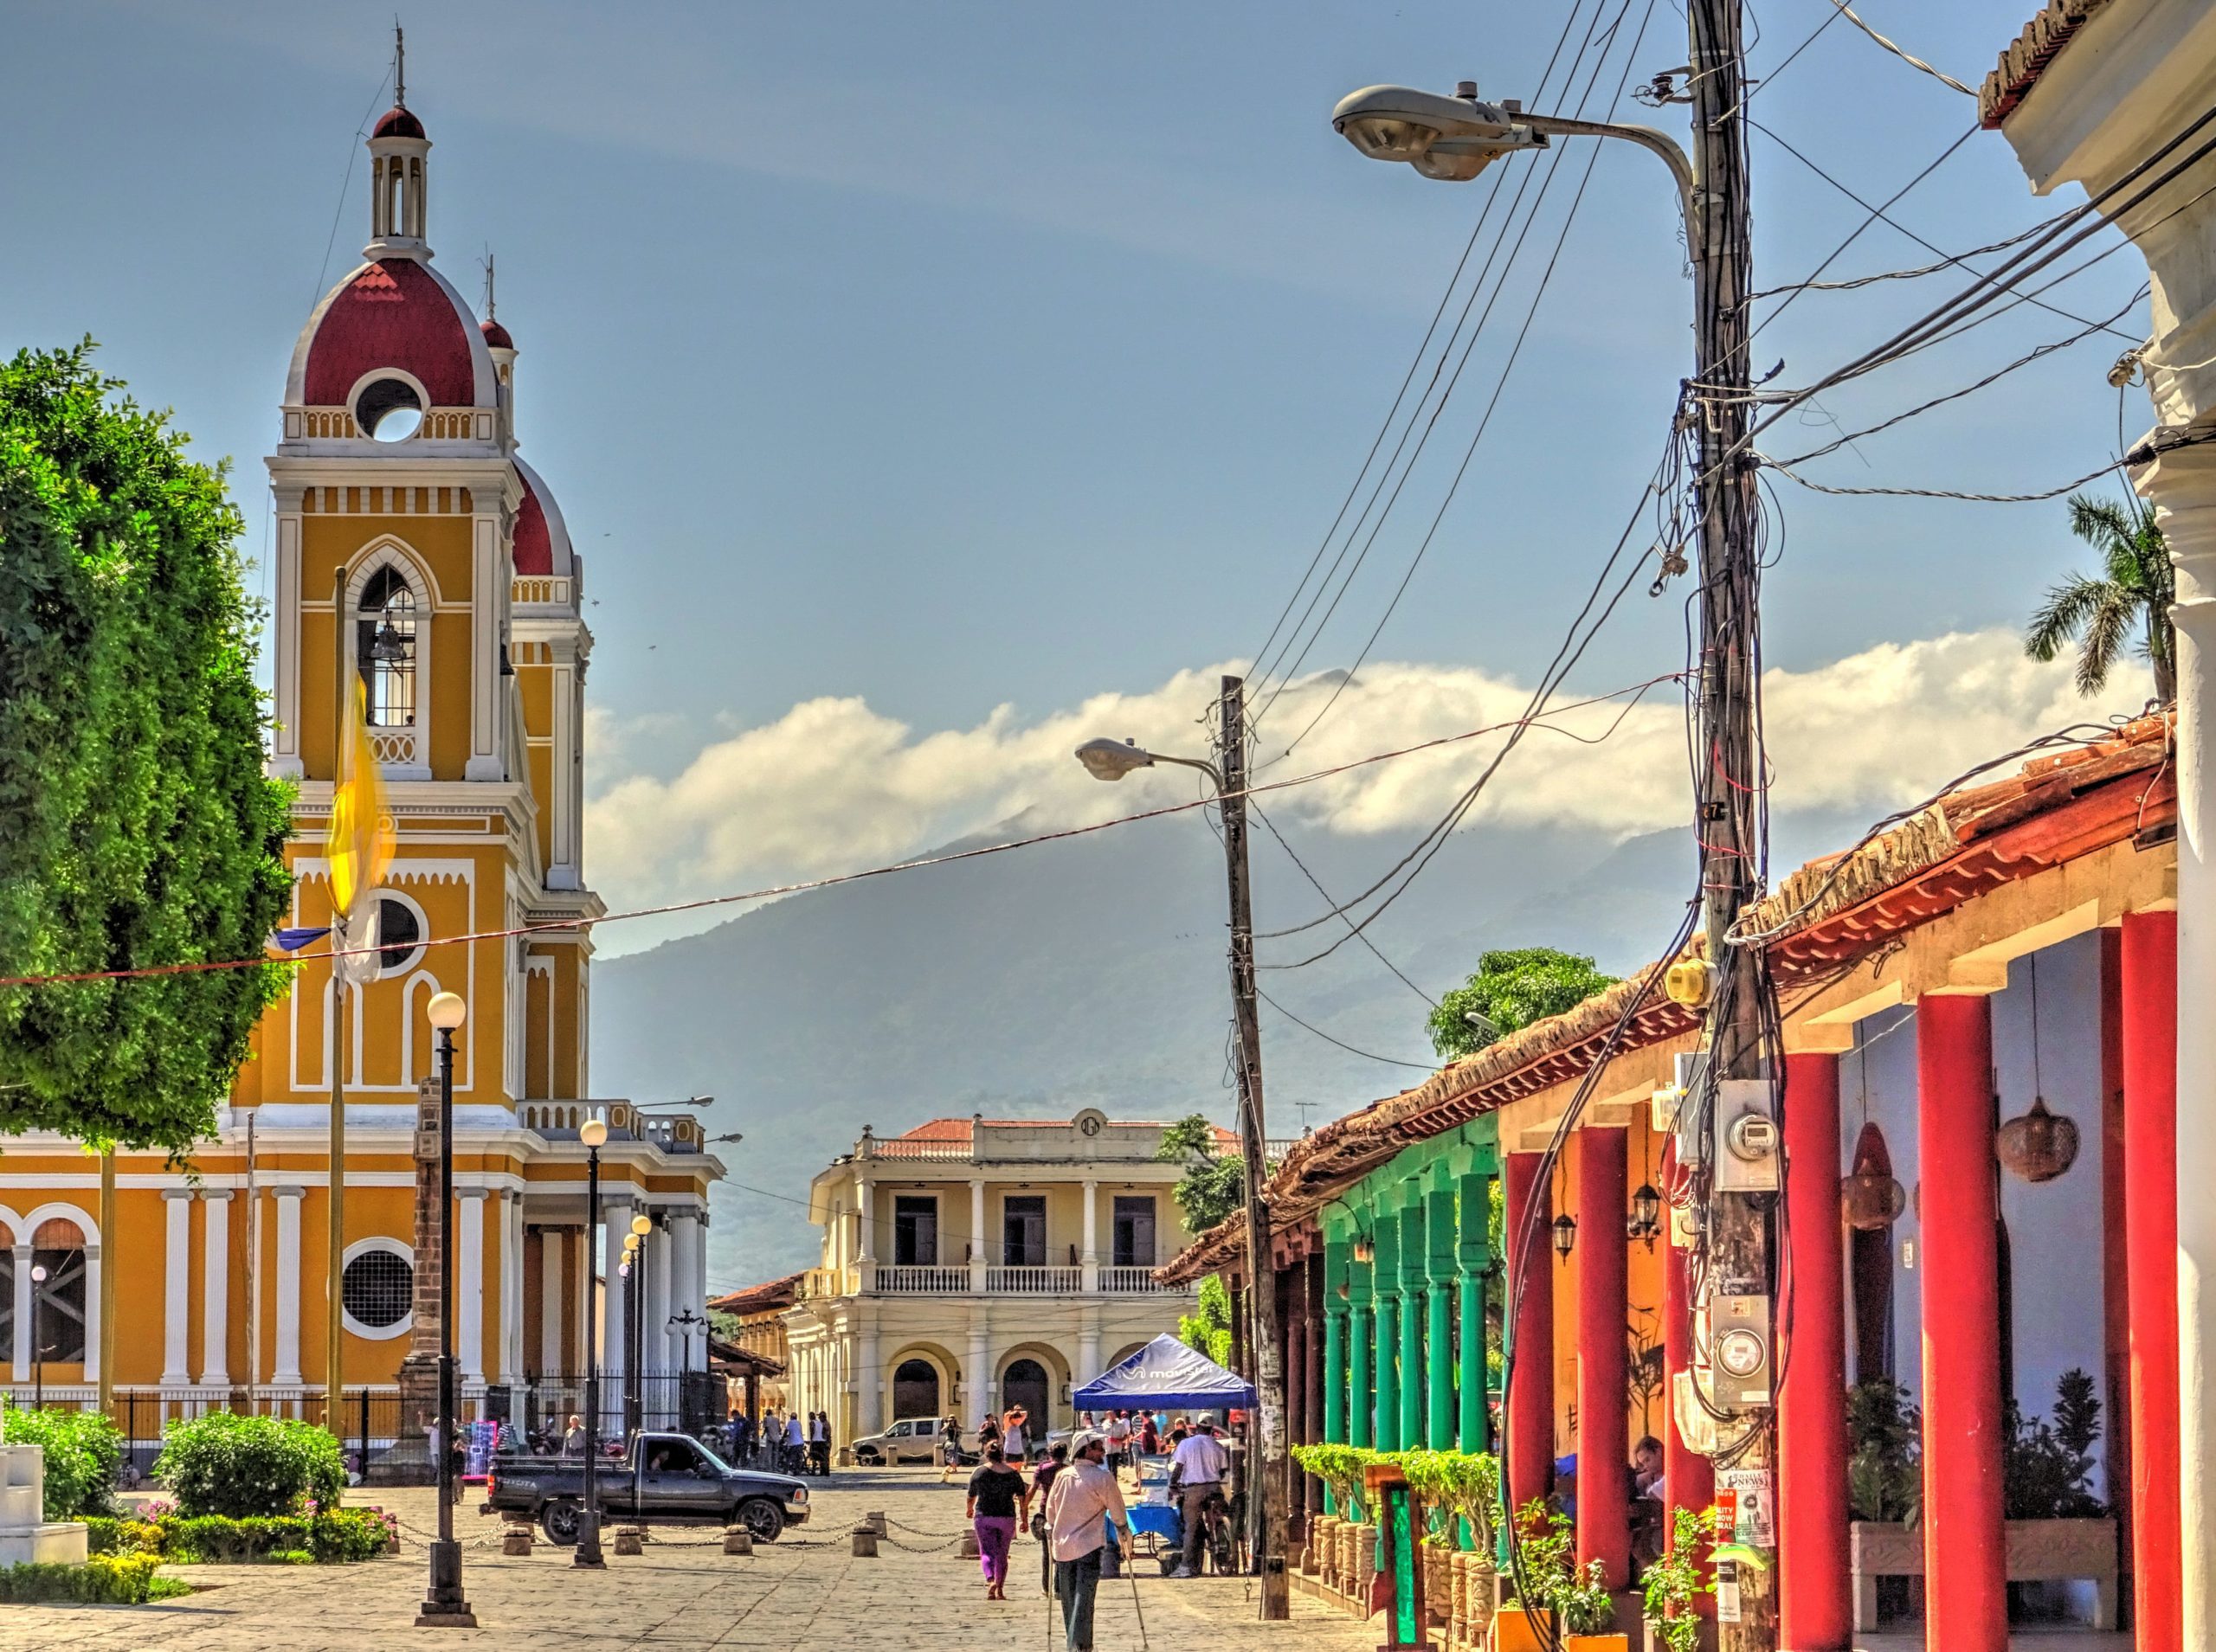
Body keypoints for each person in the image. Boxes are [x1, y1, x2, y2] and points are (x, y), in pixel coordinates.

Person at [1044, 1430, 1131, 1652]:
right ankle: (1079, 1646)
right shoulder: (1103, 1478)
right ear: (1085, 1450)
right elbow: (1118, 1510)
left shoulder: (1063, 1476)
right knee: (1082, 1599)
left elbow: (1050, 1512)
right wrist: (1122, 1528)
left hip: (1063, 1546)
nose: (1103, 1452)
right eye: (1098, 1447)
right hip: (1087, 1545)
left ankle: (1077, 1644)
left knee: (1070, 1600)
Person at [1167, 1411, 1231, 1578]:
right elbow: (1223, 1470)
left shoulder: (1186, 1444)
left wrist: (1172, 1484)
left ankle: (1187, 1566)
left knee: (1191, 1528)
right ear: (1211, 1429)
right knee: (1219, 1511)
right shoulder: (1218, 1446)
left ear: (1197, 1426)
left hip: (1194, 1490)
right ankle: (1220, 1534)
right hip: (1215, 1488)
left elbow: (1178, 1468)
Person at [966, 1443, 1027, 1602]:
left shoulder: (979, 1472)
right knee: (1002, 1554)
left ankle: (991, 1580)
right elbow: (1022, 1499)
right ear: (1003, 1455)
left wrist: (969, 1509)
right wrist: (1024, 1520)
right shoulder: (1013, 1474)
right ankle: (999, 1588)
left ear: (987, 1455)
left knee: (986, 1552)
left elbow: (971, 1495)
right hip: (1006, 1517)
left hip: (984, 1515)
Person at [1027, 1439, 1071, 1597]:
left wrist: (1024, 1507)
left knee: (1047, 1551)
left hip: (1046, 1510)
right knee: (1062, 1549)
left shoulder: (1042, 1469)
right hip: (1064, 1510)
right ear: (1065, 1455)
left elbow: (1032, 1490)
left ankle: (1046, 1587)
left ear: (1049, 1454)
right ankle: (1058, 1587)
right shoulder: (1069, 1471)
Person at [939, 1411, 967, 1482]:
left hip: (955, 1442)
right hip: (950, 1442)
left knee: (954, 1455)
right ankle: (954, 1468)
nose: (951, 1422)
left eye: (952, 1420)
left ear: (954, 1420)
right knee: (951, 1455)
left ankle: (954, 1468)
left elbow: (962, 1429)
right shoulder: (948, 1427)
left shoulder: (957, 1427)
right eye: (950, 1421)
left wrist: (957, 1429)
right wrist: (947, 1425)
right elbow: (942, 1430)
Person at [1104, 1411, 1132, 1476]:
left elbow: (1125, 1436)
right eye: (1110, 1415)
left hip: (1116, 1449)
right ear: (1107, 1416)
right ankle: (1109, 1482)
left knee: (1114, 1467)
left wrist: (1119, 1441)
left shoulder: (1120, 1424)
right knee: (1108, 1467)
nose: (1112, 1416)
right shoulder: (1104, 1425)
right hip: (1107, 1449)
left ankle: (1114, 1481)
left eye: (1113, 1414)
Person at [785, 1410, 806, 1475]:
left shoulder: (790, 1423)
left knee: (792, 1456)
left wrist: (784, 1437)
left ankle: (793, 1469)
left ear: (791, 1417)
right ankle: (798, 1470)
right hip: (800, 1442)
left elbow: (786, 1431)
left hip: (794, 1443)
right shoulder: (798, 1423)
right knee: (799, 1457)